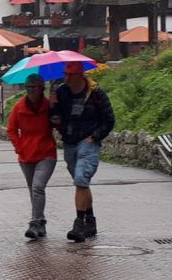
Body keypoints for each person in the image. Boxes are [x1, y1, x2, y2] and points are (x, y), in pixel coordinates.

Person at [49, 60, 115, 243]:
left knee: (80, 179)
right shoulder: (61, 93)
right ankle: (90, 221)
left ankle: (78, 225)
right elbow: (54, 120)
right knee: (82, 183)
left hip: (88, 143)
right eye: (65, 74)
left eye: (70, 74)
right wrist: (52, 106)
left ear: (80, 75)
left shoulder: (96, 94)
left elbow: (109, 120)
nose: (67, 78)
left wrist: (94, 137)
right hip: (70, 143)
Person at [7, 73, 57, 239]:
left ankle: (34, 223)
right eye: (28, 87)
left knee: (37, 187)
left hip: (46, 153)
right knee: (33, 190)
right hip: (26, 155)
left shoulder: (49, 105)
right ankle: (41, 223)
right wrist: (19, 147)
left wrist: (57, 117)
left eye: (34, 87)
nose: (30, 90)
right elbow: (12, 130)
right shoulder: (19, 107)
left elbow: (60, 125)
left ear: (41, 88)